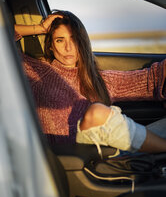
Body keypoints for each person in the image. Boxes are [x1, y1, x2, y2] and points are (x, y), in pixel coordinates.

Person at [14, 10, 166, 156]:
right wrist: (40, 28)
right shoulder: (37, 72)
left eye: (74, 39)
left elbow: (151, 78)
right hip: (69, 156)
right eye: (60, 40)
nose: (68, 47)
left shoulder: (99, 80)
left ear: (83, 43)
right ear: (51, 46)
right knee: (97, 112)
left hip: (109, 151)